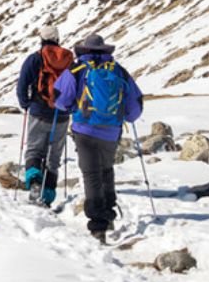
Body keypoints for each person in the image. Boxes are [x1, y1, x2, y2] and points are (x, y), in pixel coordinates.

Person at [54, 34, 144, 244]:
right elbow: (135, 104)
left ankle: (98, 226)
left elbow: (60, 98)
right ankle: (109, 212)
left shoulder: (77, 69)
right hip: (111, 131)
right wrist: (125, 117)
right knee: (106, 169)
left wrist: (70, 108)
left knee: (91, 174)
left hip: (84, 130)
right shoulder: (118, 70)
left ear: (84, 50)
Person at [15, 25, 75, 206]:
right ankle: (48, 196)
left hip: (39, 112)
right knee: (53, 156)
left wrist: (26, 104)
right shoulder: (68, 60)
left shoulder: (35, 59)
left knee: (34, 150)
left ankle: (34, 184)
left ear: (41, 39)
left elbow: (22, 85)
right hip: (62, 114)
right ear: (57, 38)